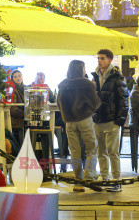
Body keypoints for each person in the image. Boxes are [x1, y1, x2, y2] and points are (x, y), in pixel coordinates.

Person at [57, 60, 100, 192]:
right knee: (92, 148)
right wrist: (88, 110)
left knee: (75, 152)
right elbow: (96, 103)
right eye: (84, 68)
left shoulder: (63, 85)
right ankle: (89, 177)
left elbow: (59, 103)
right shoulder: (87, 84)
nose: (85, 70)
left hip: (70, 122)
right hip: (84, 120)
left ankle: (78, 182)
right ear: (81, 69)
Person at [92, 49, 128, 192]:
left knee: (113, 152)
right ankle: (105, 178)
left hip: (111, 120)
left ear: (109, 60)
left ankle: (116, 181)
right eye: (98, 58)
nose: (99, 61)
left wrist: (119, 121)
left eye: (102, 58)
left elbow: (124, 101)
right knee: (101, 152)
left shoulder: (117, 77)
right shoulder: (95, 76)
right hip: (98, 120)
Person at [9, 69, 25, 144]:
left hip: (22, 119)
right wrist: (25, 115)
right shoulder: (12, 89)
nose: (18, 78)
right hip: (16, 121)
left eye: (19, 76)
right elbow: (13, 108)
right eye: (15, 77)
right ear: (12, 79)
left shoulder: (24, 89)